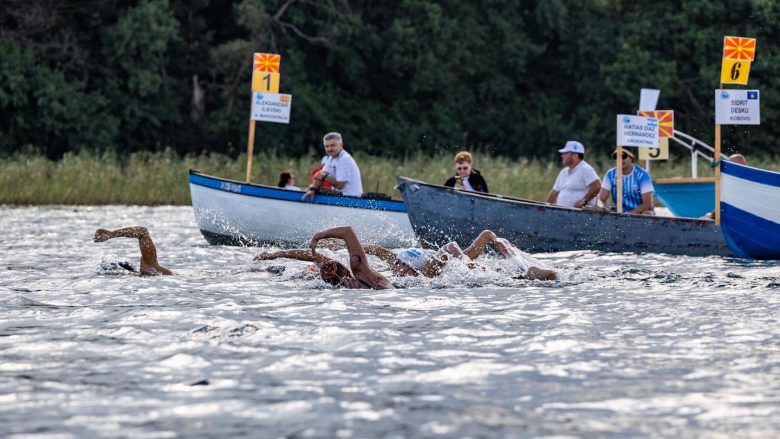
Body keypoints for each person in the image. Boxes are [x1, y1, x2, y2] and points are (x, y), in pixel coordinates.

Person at [255, 229, 557, 281]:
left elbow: (313, 256)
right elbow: (311, 257)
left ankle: (521, 273)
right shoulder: (384, 259)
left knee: (454, 252)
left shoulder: (421, 271)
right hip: (437, 262)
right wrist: (276, 254)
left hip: (435, 265)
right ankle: (518, 270)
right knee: (474, 243)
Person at [303, 132, 363, 199]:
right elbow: (320, 176)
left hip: (351, 200)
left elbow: (340, 185)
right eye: (327, 146)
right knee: (311, 189)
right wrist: (313, 189)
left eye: (332, 145)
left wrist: (324, 177)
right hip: (340, 198)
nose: (329, 149)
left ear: (341, 145)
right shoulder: (331, 158)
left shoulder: (345, 159)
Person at [93, 226, 172, 276]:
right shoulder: (149, 268)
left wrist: (111, 234)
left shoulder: (150, 267)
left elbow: (142, 232)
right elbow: (142, 232)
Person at [598, 149, 655, 215]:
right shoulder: (610, 174)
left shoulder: (642, 174)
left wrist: (628, 215)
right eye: (616, 157)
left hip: (639, 213)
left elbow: (647, 204)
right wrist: (602, 208)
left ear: (631, 158)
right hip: (619, 214)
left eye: (624, 156)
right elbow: (601, 199)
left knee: (647, 213)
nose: (620, 160)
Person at [546, 141, 601, 208]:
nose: (562, 155)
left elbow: (597, 185)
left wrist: (584, 201)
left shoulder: (585, 169)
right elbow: (554, 193)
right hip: (563, 214)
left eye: (565, 153)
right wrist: (545, 209)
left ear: (575, 155)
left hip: (580, 215)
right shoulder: (563, 172)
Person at [701, 154, 749, 219]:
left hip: (735, 216)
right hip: (731, 215)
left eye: (731, 165)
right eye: (729, 165)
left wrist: (710, 216)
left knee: (705, 218)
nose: (730, 167)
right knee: (705, 217)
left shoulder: (741, 182)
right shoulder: (733, 180)